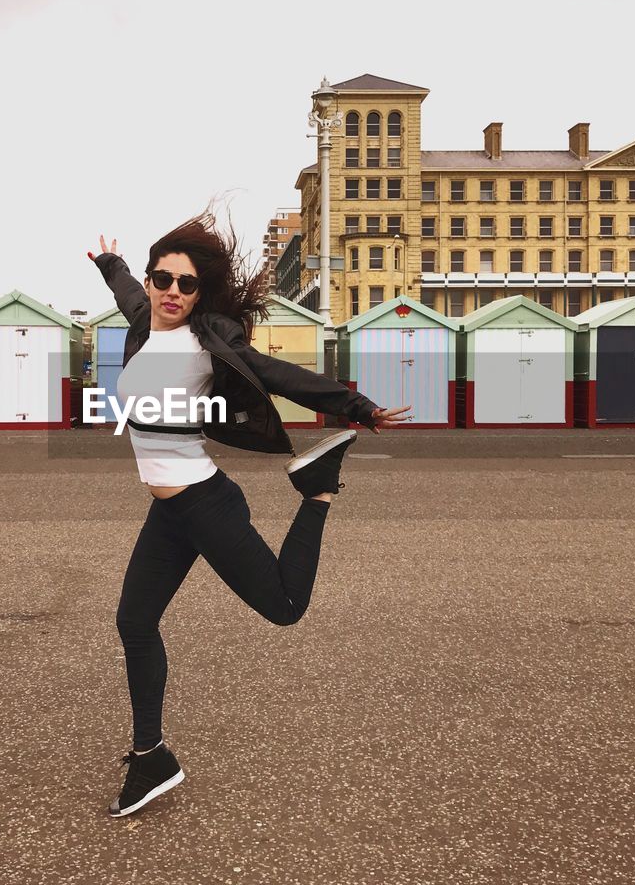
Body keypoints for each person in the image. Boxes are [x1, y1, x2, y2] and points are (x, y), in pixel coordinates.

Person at [88, 211, 411, 818]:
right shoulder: (142, 320)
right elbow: (128, 291)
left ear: (200, 293)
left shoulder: (210, 342)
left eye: (186, 285)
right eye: (164, 279)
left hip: (204, 504)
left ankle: (317, 491)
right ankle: (152, 754)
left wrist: (355, 406)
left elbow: (276, 374)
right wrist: (111, 265)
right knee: (134, 622)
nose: (171, 293)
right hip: (167, 514)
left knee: (284, 608)